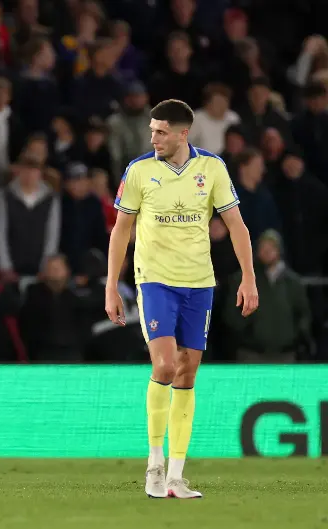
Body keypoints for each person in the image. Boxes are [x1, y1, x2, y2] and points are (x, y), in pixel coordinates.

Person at [104, 99, 259, 499]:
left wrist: (249, 277)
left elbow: (236, 225)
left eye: (161, 132)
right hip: (154, 280)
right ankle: (154, 465)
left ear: (182, 134)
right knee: (165, 365)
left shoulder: (212, 168)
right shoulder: (139, 170)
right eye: (151, 131)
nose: (153, 138)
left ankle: (176, 476)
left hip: (199, 283)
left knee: (187, 375)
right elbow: (121, 229)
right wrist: (111, 285)